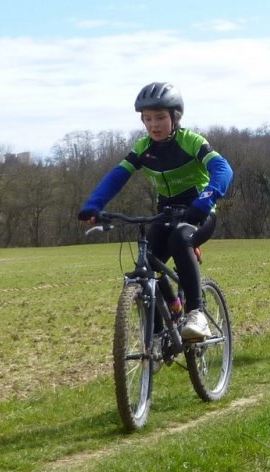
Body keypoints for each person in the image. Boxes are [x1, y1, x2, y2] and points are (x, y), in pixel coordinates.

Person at [78, 82, 233, 340]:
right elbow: (117, 176)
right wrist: (94, 205)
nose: (154, 125)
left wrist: (205, 201)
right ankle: (171, 310)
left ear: (175, 117)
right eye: (147, 119)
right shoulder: (143, 148)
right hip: (165, 214)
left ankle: (197, 313)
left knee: (179, 238)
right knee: (146, 258)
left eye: (160, 117)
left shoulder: (191, 142)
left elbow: (223, 169)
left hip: (199, 212)